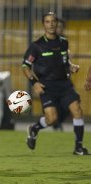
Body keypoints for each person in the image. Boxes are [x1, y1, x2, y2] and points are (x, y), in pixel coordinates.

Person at [22, 12, 89, 155]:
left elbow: (64, 61)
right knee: (52, 119)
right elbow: (25, 66)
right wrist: (35, 83)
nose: (51, 24)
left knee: (77, 110)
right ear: (43, 24)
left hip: (65, 85)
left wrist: (71, 66)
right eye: (47, 21)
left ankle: (78, 147)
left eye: (53, 21)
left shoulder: (64, 42)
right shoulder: (37, 46)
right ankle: (34, 128)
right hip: (47, 86)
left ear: (57, 23)